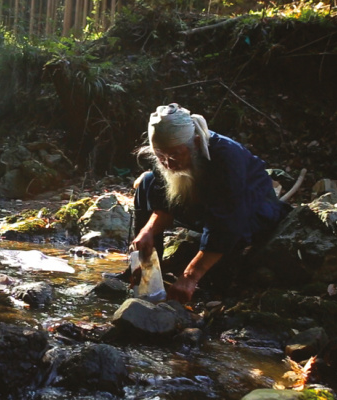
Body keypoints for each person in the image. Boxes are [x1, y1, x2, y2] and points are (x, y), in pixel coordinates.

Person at [118, 103, 291, 303]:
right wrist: (147, 232)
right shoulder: (167, 154)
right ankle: (146, 276)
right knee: (147, 182)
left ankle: (214, 284)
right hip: (205, 207)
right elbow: (163, 203)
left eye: (174, 156)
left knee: (222, 258)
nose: (168, 164)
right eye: (161, 157)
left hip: (250, 210)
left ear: (197, 143)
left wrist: (190, 277)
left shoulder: (226, 157)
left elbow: (226, 221)